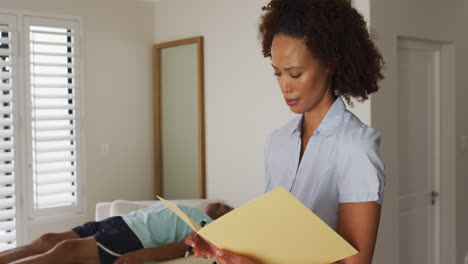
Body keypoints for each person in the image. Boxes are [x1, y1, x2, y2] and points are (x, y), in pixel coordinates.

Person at [185, 0, 386, 263]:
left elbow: (354, 262)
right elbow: (273, 231)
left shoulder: (356, 147)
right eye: (277, 73)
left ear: (329, 64)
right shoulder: (277, 142)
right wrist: (222, 242)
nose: (284, 87)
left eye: (294, 73)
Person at [0, 201, 233, 264]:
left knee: (64, 251)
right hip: (119, 222)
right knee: (47, 239)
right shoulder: (194, 212)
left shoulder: (211, 227)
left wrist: (143, 255)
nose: (222, 207)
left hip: (130, 238)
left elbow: (184, 247)